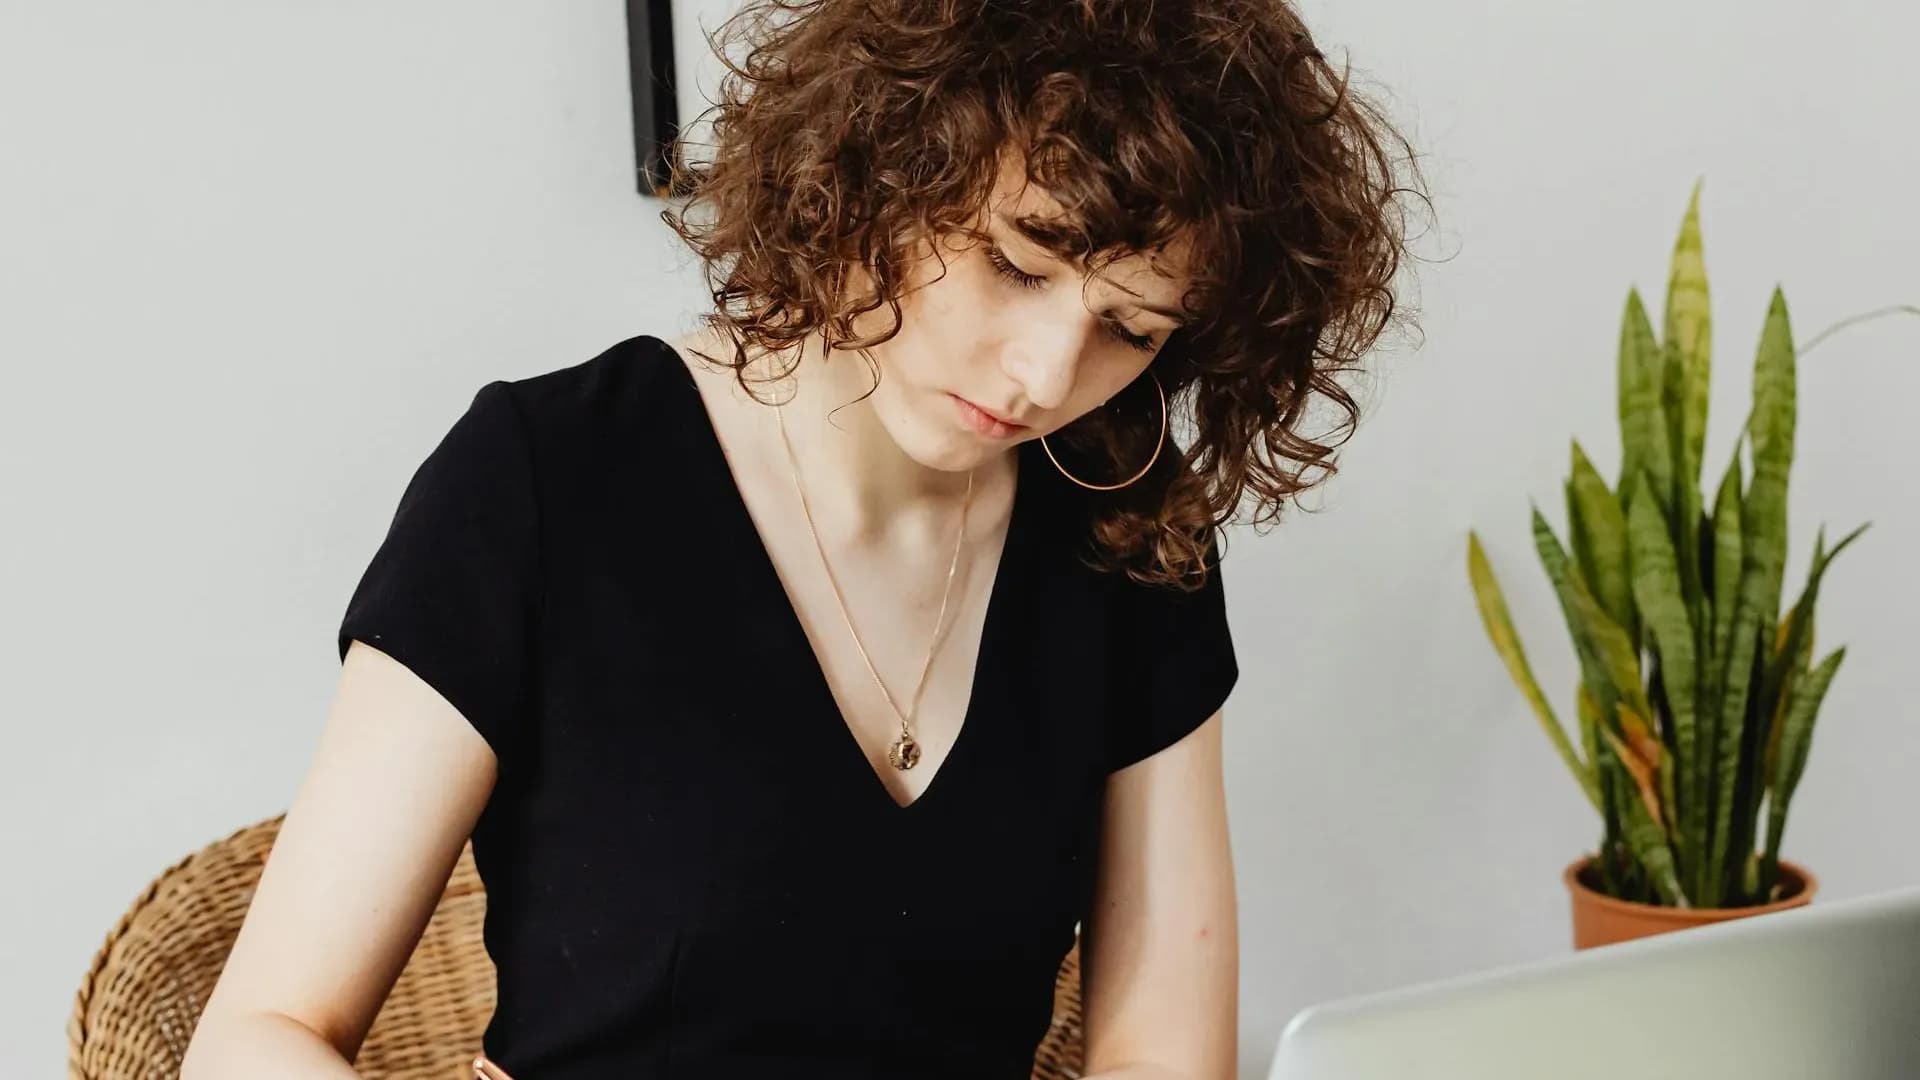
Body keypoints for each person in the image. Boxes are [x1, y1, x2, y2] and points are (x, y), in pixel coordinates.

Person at [179, 1, 1425, 1077]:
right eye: (1014, 264)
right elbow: (262, 1032)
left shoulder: (1127, 539)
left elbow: (1160, 1050)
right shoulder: (546, 480)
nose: (1048, 374)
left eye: (1134, 328)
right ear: (891, 163)